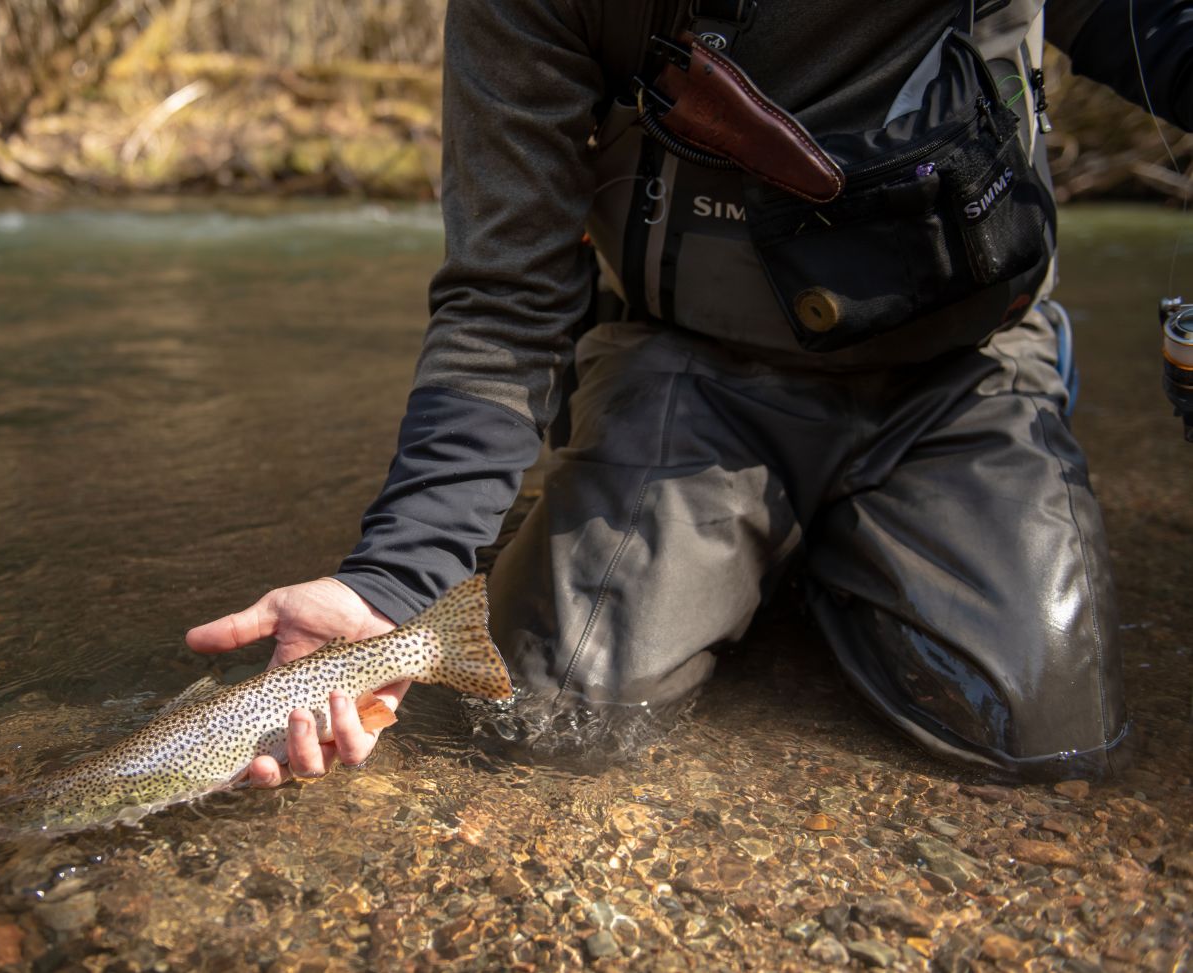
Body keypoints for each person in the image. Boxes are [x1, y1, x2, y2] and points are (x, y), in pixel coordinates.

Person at [186, 0, 1193, 786]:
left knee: (1046, 744)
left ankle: (825, 543)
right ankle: (770, 544)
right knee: (555, 724)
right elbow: (503, 306)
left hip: (962, 370)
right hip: (694, 367)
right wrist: (391, 582)